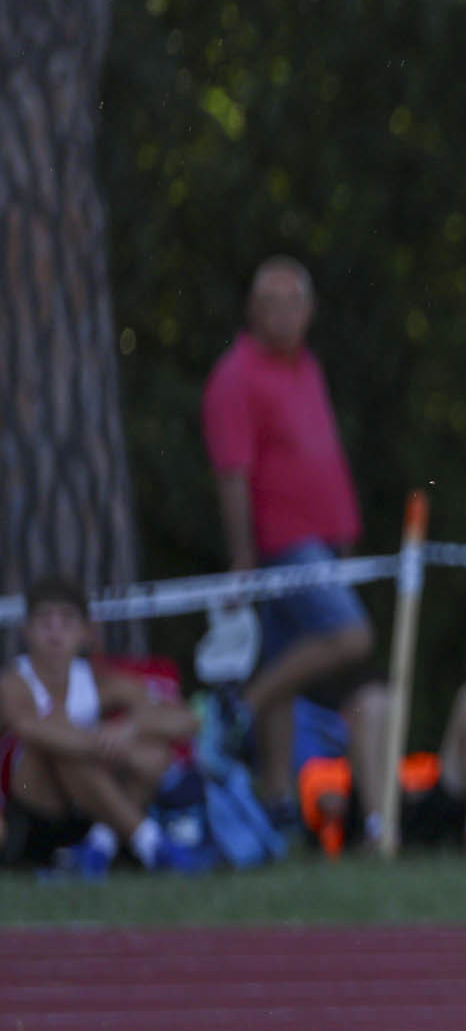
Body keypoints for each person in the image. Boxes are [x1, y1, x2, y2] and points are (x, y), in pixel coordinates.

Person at [200, 257, 377, 809]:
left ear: (310, 309)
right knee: (351, 634)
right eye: (270, 303)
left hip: (324, 541)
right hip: (282, 544)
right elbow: (232, 473)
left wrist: (343, 532)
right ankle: (238, 708)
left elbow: (323, 456)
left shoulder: (307, 367)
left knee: (284, 665)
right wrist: (243, 554)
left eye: (292, 302)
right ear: (251, 310)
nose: (282, 314)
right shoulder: (235, 376)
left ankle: (276, 799)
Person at [1, 579, 213, 876]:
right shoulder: (13, 682)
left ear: (86, 632)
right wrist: (113, 747)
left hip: (91, 807)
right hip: (35, 815)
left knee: (154, 751)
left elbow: (187, 719)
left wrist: (129, 729)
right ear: (27, 631)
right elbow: (29, 728)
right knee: (61, 743)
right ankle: (152, 844)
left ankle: (100, 845)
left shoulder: (100, 681)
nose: (55, 633)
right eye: (45, 621)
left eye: (66, 621)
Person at [289, 679, 466, 862]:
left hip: (432, 803)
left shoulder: (421, 763)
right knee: (373, 701)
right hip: (372, 807)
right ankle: (378, 832)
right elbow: (327, 805)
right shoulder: (328, 769)